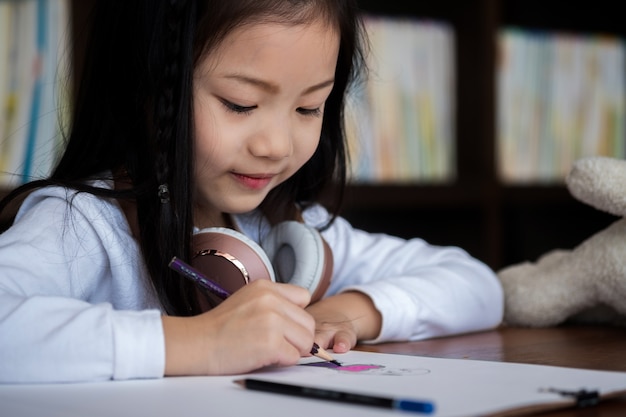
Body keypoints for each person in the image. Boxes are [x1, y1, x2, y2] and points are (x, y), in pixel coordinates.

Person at [0, 0, 503, 383]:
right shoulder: (82, 222)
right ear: (148, 89)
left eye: (309, 108)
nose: (277, 145)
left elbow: (477, 286)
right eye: (241, 104)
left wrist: (343, 313)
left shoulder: (283, 229)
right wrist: (203, 343)